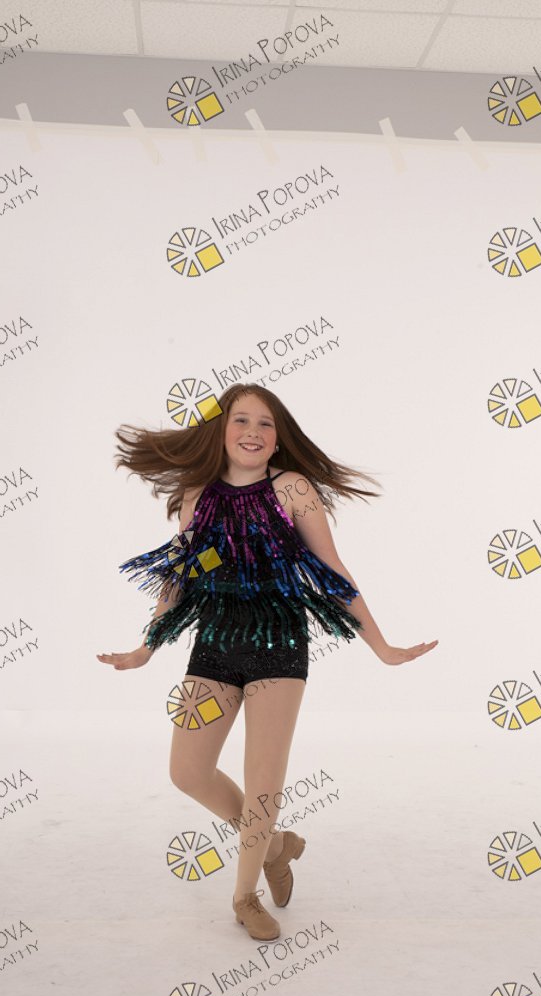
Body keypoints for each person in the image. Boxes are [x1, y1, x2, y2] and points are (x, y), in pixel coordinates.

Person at [97, 383, 437, 941]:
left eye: (265, 424)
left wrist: (381, 645)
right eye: (241, 420)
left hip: (279, 643)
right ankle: (276, 846)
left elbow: (333, 570)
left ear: (278, 439)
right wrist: (145, 648)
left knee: (263, 782)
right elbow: (181, 575)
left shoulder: (293, 488)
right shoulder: (198, 494)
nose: (253, 432)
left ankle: (244, 896)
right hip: (215, 643)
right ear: (221, 431)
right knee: (187, 772)